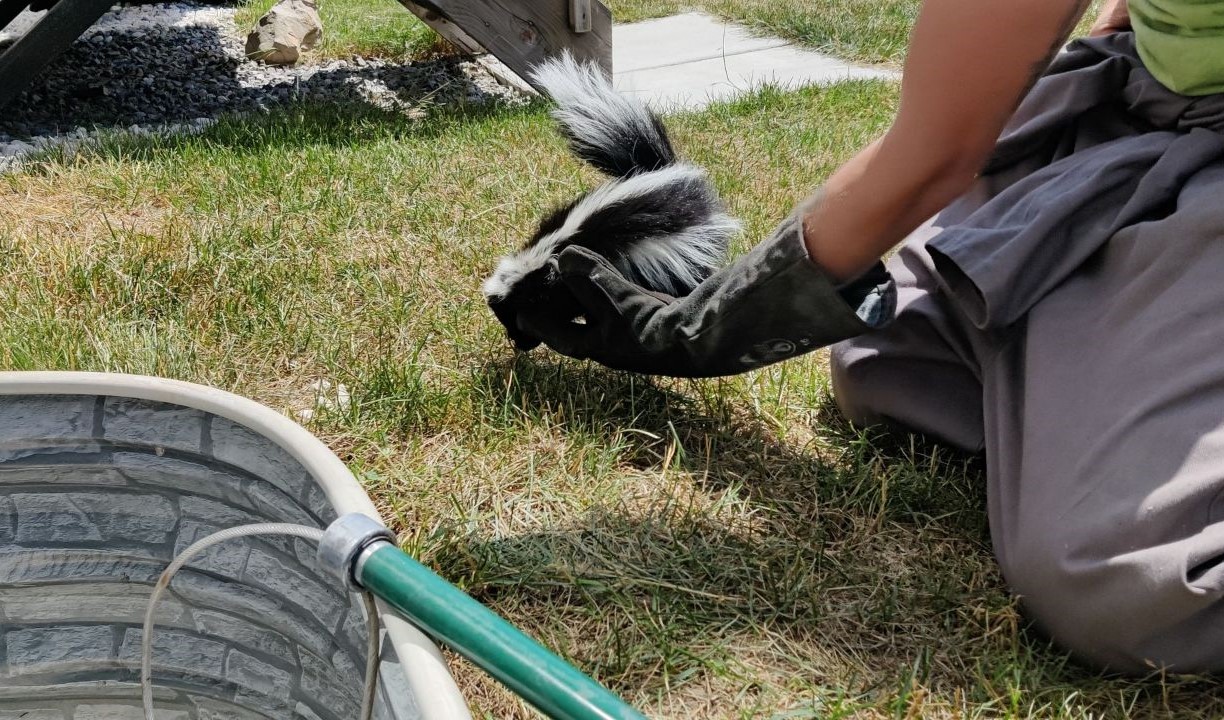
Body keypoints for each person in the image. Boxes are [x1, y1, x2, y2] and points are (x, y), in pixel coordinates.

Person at [509, 0, 1224, 674]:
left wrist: (704, 331)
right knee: (887, 365)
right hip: (1142, 106)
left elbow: (935, 160)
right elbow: (938, 128)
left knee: (1121, 578)